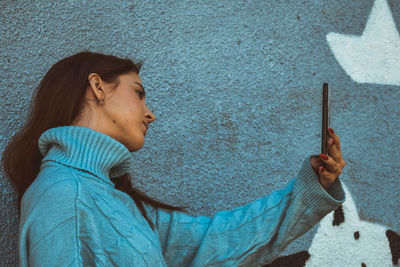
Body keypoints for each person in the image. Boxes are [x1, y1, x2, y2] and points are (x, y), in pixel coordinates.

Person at [2, 51, 346, 266]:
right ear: (98, 87)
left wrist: (311, 187)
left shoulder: (121, 202)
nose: (150, 114)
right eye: (138, 93)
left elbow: (219, 240)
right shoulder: (62, 197)